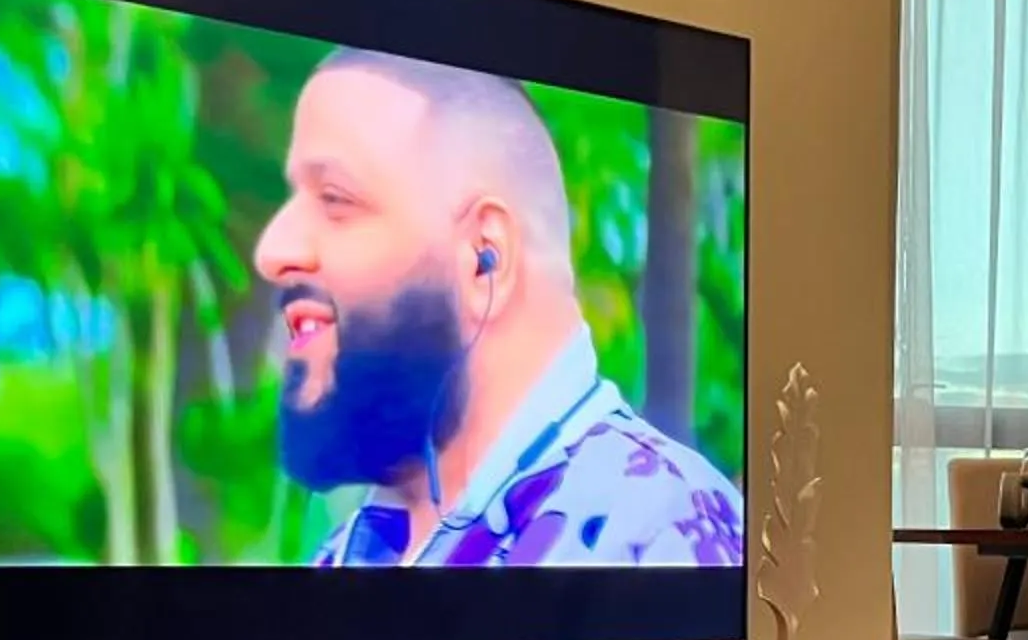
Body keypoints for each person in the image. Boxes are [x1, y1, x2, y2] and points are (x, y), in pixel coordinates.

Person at [252, 48, 744, 568]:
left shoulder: (660, 539)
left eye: (335, 199)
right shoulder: (348, 554)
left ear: (485, 259)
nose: (273, 249)